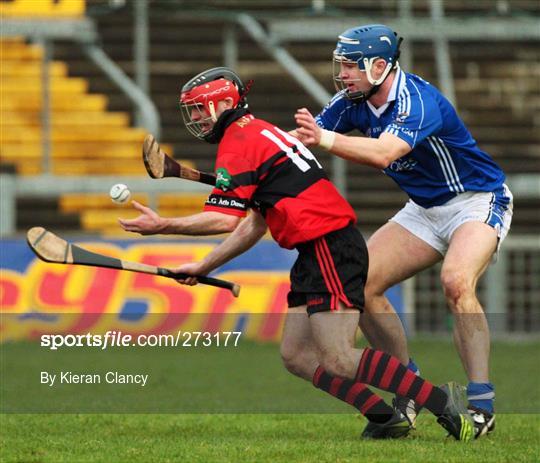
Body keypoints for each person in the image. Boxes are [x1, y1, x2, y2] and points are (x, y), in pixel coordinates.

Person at [119, 66, 474, 441]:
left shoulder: (239, 141)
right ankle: (384, 415)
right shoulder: (258, 133)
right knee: (297, 356)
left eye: (197, 109)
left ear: (225, 103)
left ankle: (441, 401)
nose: (194, 118)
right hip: (314, 251)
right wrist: (204, 265)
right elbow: (255, 224)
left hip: (330, 246)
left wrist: (163, 225)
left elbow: (222, 220)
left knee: (338, 358)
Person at [293, 24, 513, 439]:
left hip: (477, 199)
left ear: (380, 65)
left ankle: (481, 401)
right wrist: (252, 157)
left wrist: (324, 138)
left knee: (455, 282)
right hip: (423, 209)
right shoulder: (351, 102)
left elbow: (385, 153)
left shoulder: (416, 100)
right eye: (340, 65)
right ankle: (406, 386)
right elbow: (301, 144)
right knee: (363, 285)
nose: (342, 74)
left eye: (350, 66)